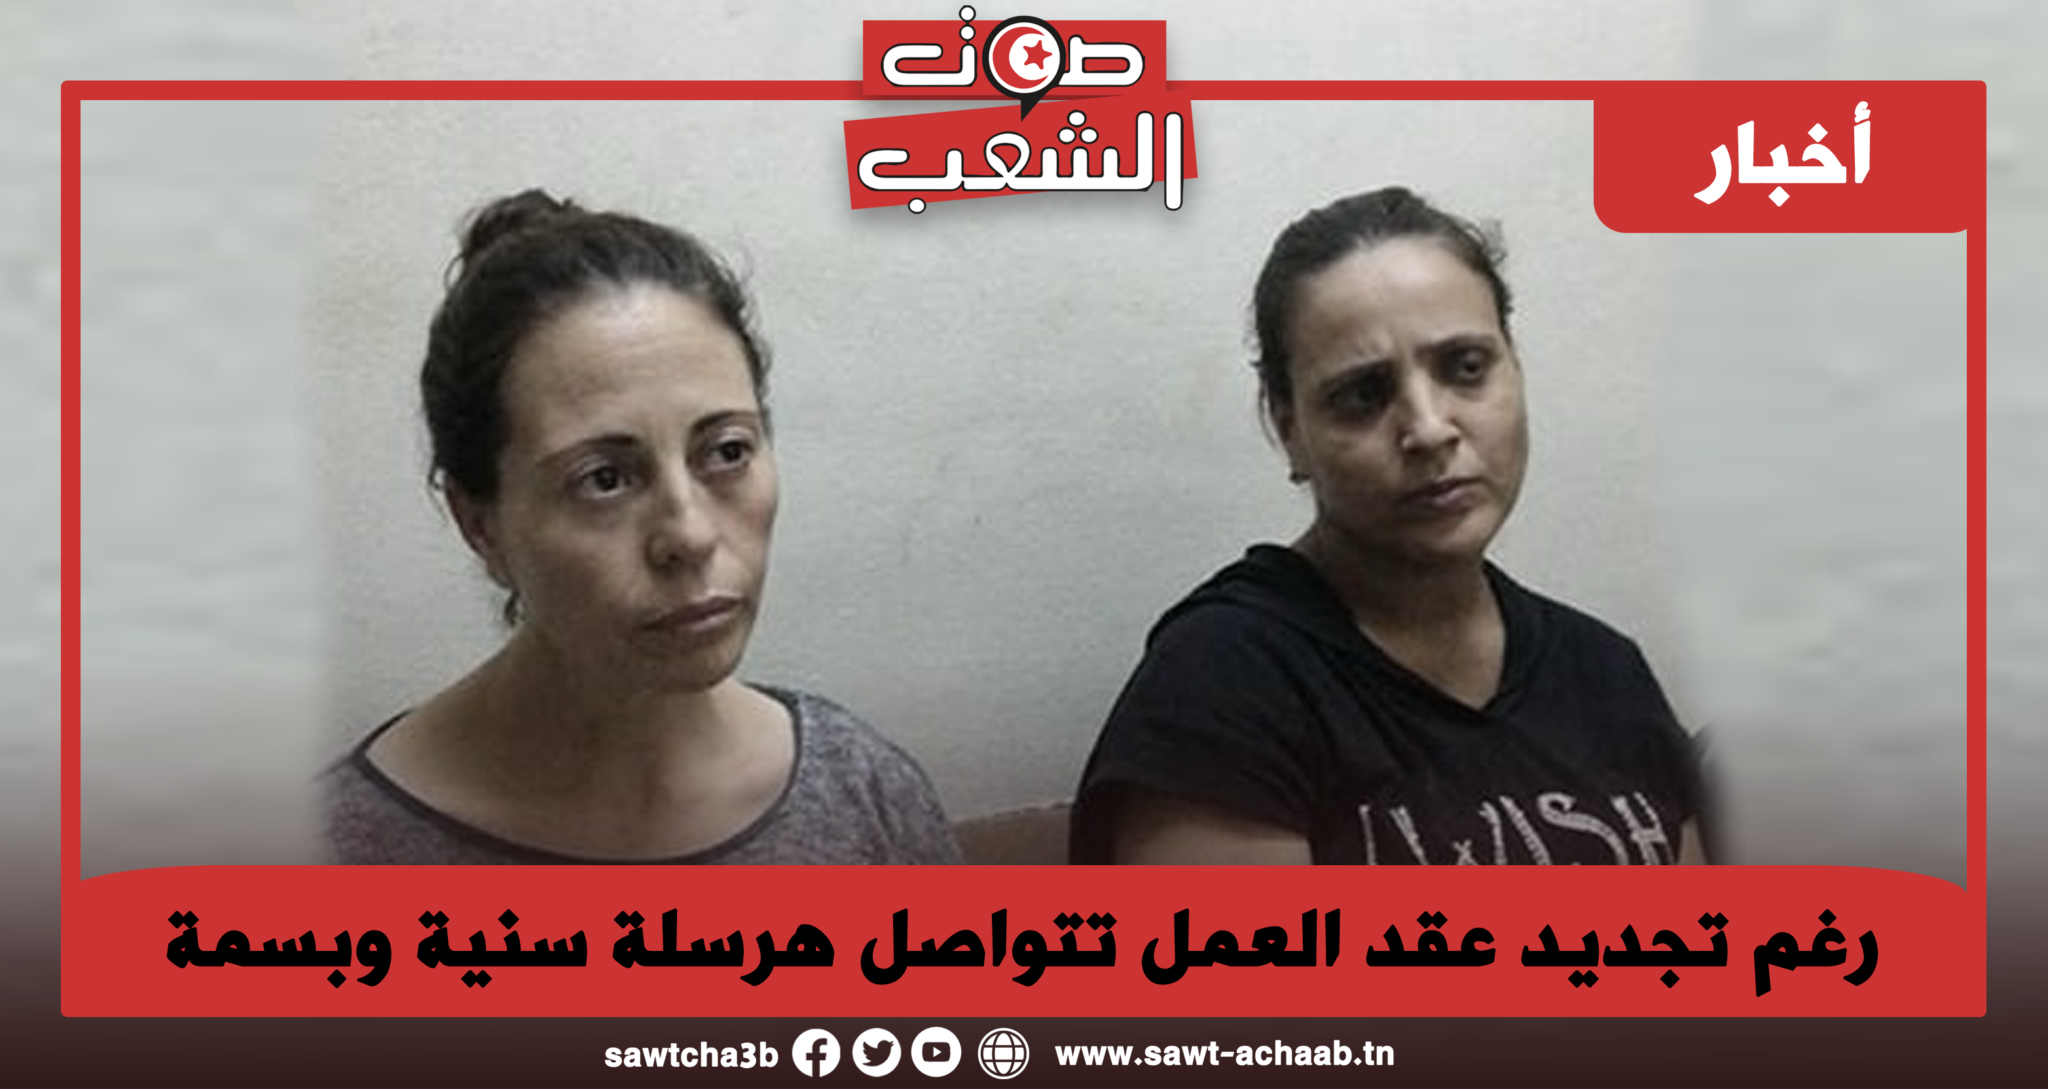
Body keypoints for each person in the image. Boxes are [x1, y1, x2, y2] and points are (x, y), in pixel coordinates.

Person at [1070, 187, 1704, 865]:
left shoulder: (1606, 673)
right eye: (1363, 394)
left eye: (1466, 367)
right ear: (1289, 430)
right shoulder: (1220, 691)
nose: (1429, 429)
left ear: (1515, 368)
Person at [325, 190, 959, 864]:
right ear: (479, 524)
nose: (690, 536)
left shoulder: (862, 793)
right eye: (604, 479)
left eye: (727, 451)